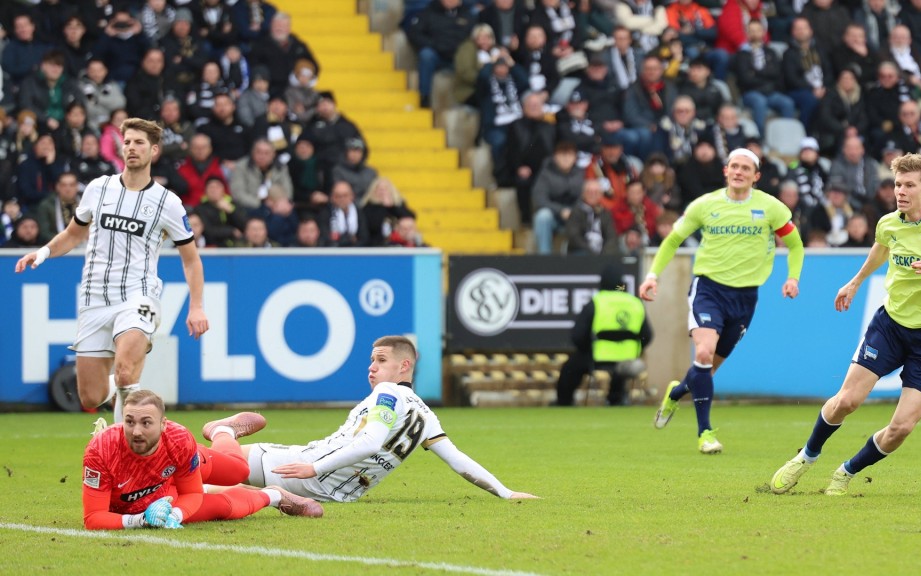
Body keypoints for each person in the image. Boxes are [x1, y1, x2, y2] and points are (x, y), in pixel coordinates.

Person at [770, 153, 921, 497]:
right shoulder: (889, 223)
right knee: (847, 401)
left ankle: (846, 472)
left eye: (909, 185)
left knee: (900, 428)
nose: (900, 191)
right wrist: (854, 282)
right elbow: (880, 250)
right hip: (892, 325)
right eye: (897, 184)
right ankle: (806, 457)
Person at [14, 118, 210, 422]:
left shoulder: (167, 203)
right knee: (90, 396)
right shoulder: (98, 188)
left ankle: (126, 453)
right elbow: (73, 234)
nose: (131, 148)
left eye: (139, 143)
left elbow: (191, 259)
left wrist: (196, 307)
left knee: (124, 371)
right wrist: (43, 252)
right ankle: (126, 395)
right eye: (128, 142)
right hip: (94, 299)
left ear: (154, 150)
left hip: (139, 297)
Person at [239, 335, 538, 503]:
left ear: (404, 365)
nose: (372, 367)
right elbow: (458, 461)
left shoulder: (388, 392)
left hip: (298, 468)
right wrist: (505, 492)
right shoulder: (425, 415)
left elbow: (370, 442)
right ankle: (271, 495)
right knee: (207, 485)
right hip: (336, 495)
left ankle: (226, 430)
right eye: (371, 360)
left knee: (206, 464)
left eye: (381, 360)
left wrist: (312, 467)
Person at [643, 148, 804, 454]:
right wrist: (653, 275)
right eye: (734, 166)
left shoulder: (771, 207)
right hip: (709, 289)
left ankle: (676, 393)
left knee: (707, 371)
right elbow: (673, 239)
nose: (739, 171)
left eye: (746, 168)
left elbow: (795, 245)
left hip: (745, 298)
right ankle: (705, 433)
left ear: (756, 176)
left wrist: (792, 277)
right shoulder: (705, 205)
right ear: (726, 171)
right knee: (703, 353)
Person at [83, 390, 322, 530]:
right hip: (152, 502)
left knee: (238, 470)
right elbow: (93, 517)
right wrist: (140, 520)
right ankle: (275, 496)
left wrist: (177, 516)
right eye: (130, 422)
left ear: (163, 424)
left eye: (146, 423)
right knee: (223, 507)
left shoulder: (177, 439)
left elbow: (192, 494)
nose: (136, 431)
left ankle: (223, 431)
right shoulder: (102, 450)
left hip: (173, 477)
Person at [556, 264, 653, 406]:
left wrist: (588, 348)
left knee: (570, 367)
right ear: (622, 283)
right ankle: (616, 399)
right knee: (619, 370)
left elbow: (578, 336)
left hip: (598, 358)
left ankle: (564, 402)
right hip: (628, 359)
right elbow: (647, 335)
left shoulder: (596, 302)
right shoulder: (635, 303)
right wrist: (635, 350)